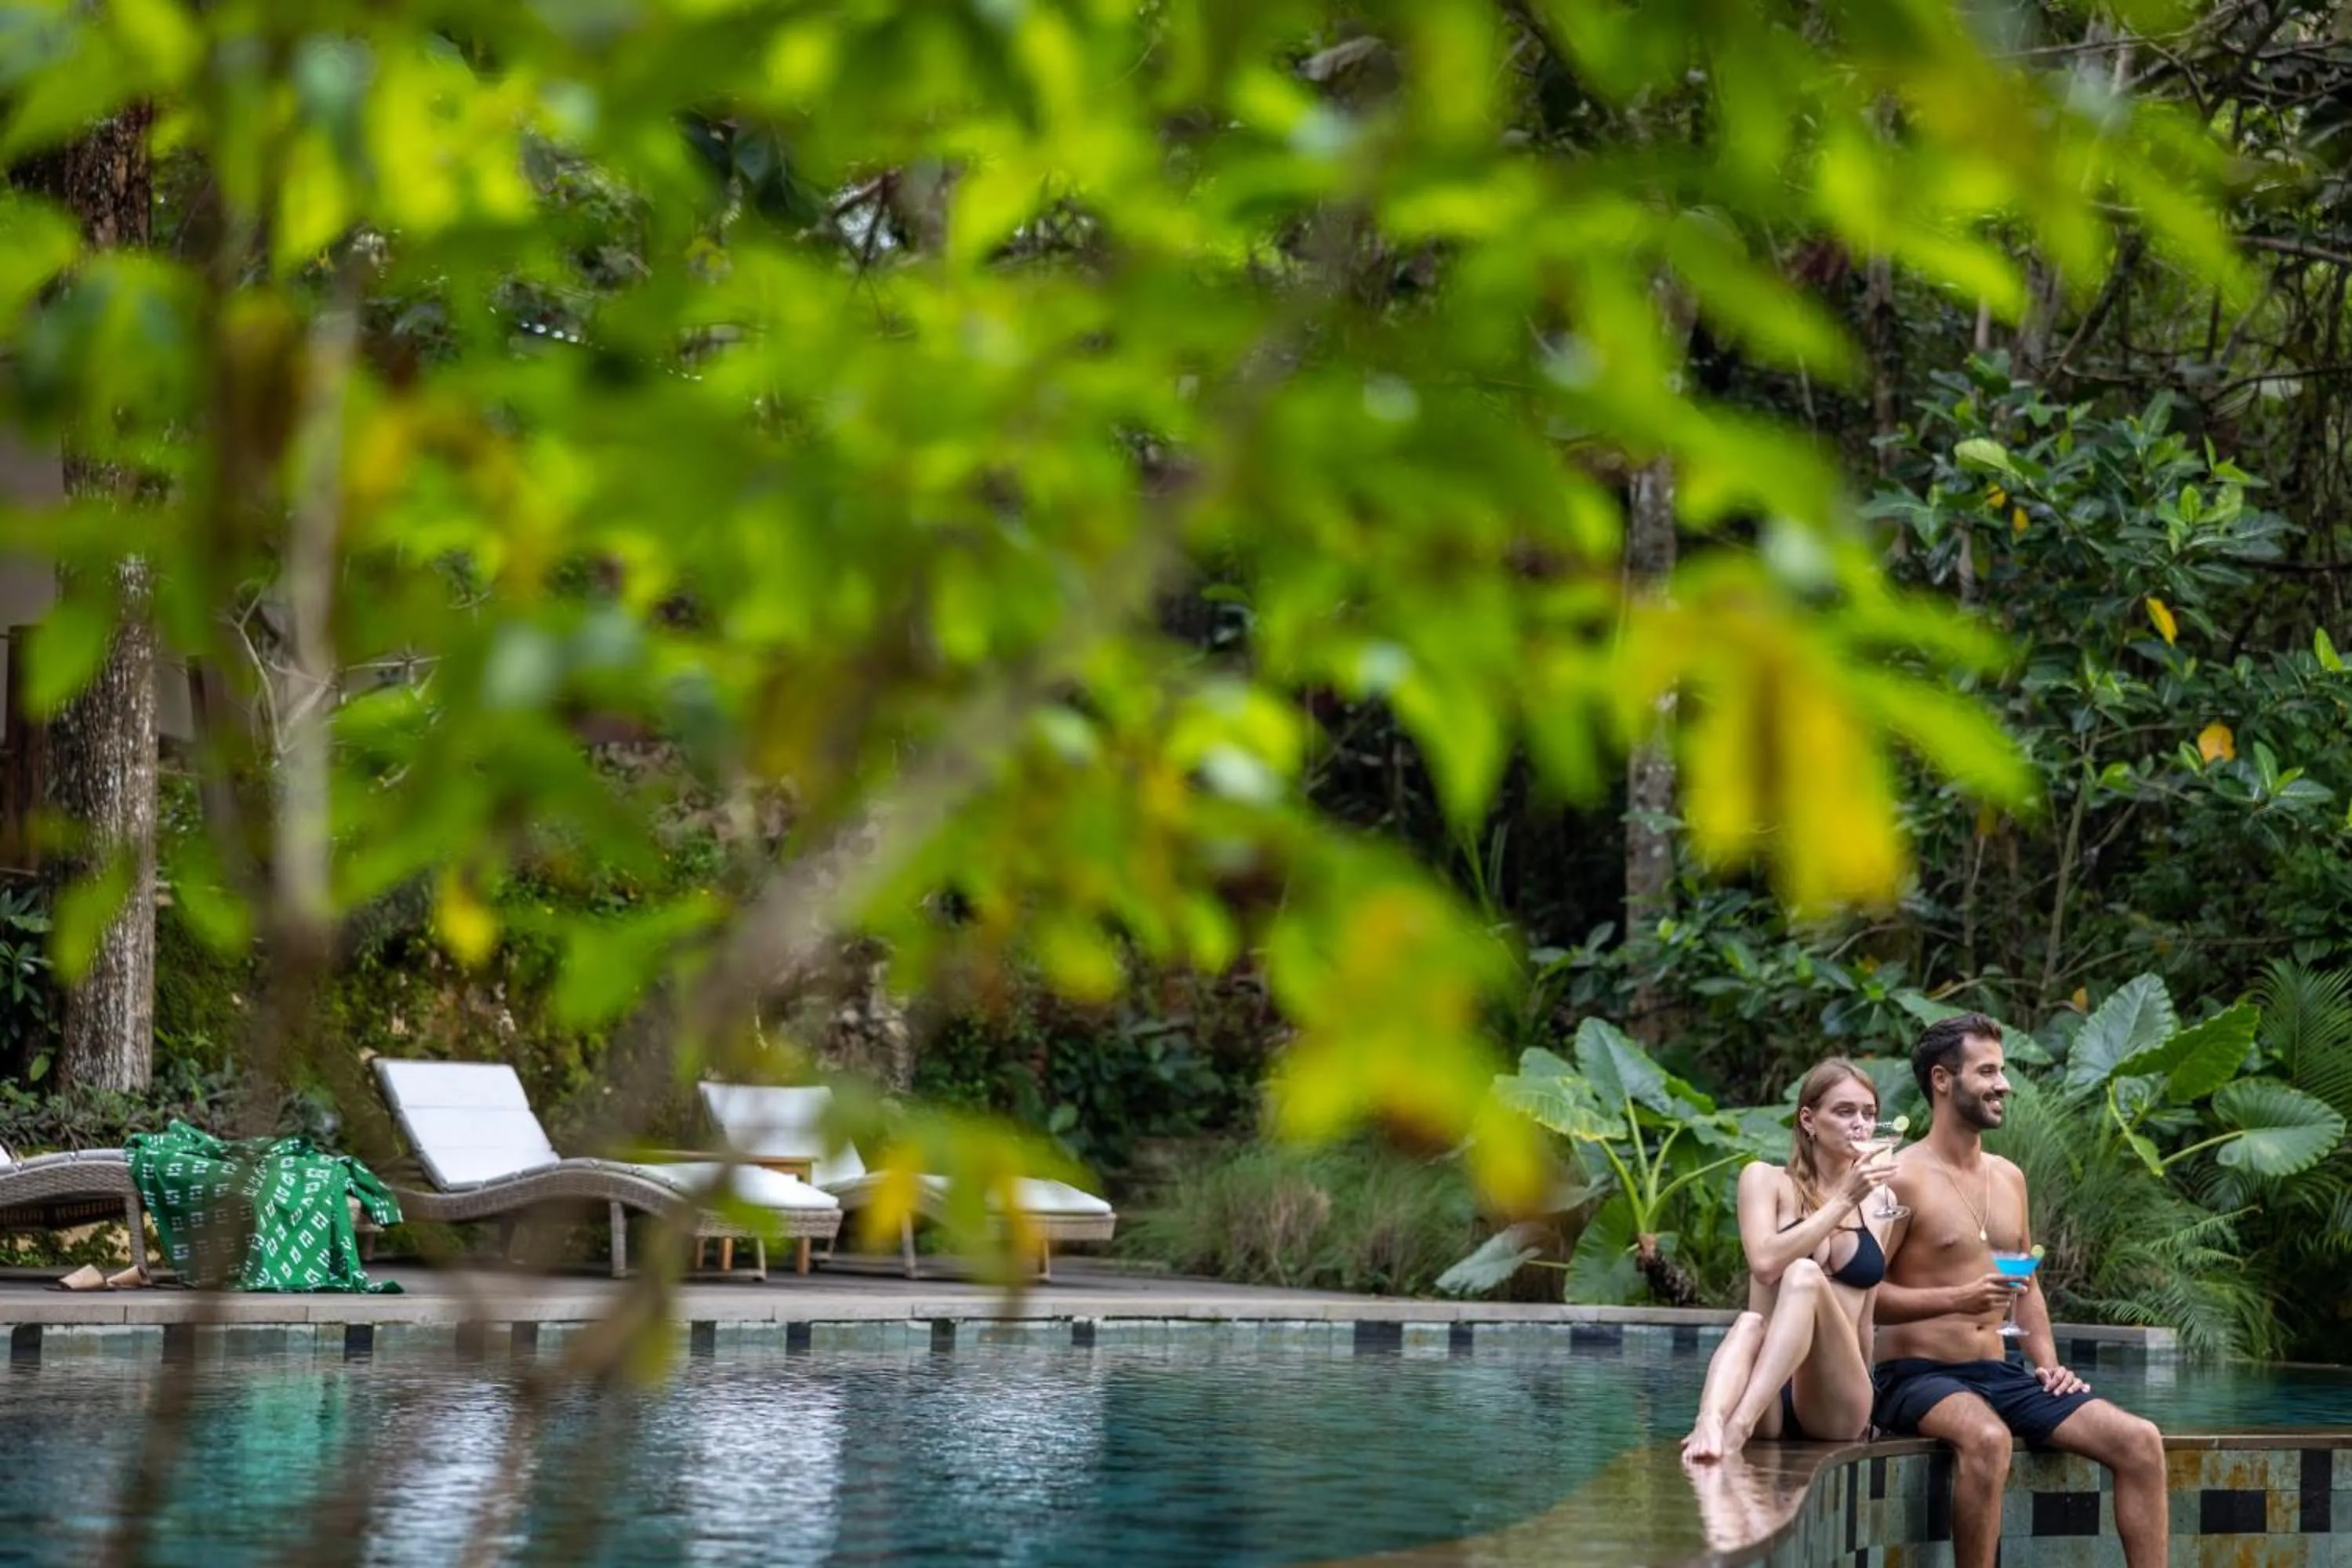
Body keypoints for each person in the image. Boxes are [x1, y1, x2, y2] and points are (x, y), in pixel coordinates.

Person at [1872, 1014, 2168, 1568]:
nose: (2004, 1085)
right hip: (1915, 1375)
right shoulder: (1899, 1177)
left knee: (2141, 1441)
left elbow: (2025, 1285)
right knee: (1988, 1439)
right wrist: (1956, 1300)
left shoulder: (2009, 1177)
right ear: (1942, 1080)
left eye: (2002, 1071)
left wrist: (2048, 1366)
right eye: (1987, 1072)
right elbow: (1863, 1296)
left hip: (1999, 1371)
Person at [1682, 1057, 1894, 1461]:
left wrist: (1871, 1406)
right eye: (1845, 1111)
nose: (1860, 1124)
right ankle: (1709, 1420)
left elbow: (1865, 1319)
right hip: (1768, 1387)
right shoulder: (1765, 1180)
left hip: (1834, 1397)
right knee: (1749, 1323)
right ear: (1808, 1120)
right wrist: (1844, 1199)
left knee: (1804, 1274)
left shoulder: (1881, 1201)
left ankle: (1736, 1428)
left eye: (1869, 1114)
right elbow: (1764, 1264)